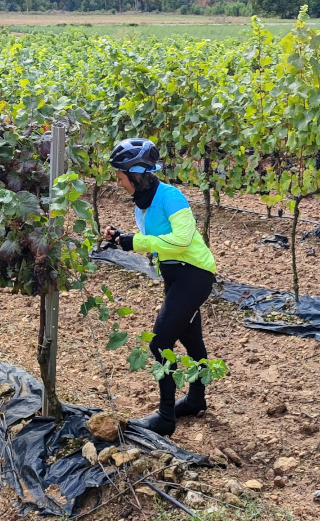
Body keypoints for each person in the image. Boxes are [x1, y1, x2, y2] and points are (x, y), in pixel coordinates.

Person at [103, 138, 216, 436]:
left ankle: (166, 418)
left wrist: (136, 241)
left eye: (120, 176)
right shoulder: (142, 204)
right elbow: (155, 240)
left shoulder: (171, 196)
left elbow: (182, 238)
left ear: (136, 174)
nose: (118, 183)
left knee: (159, 343)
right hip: (176, 276)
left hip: (194, 274)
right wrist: (121, 237)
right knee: (192, 341)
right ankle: (196, 399)